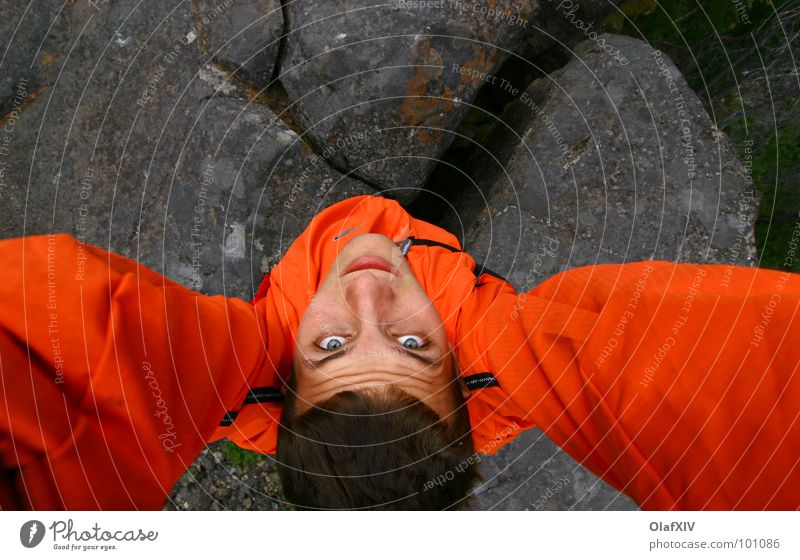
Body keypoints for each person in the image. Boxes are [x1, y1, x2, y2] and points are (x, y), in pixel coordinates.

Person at [1, 194, 799, 510]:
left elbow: (49, 345)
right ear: (464, 377)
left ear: (283, 384)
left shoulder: (248, 371)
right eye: (414, 346)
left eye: (332, 347)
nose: (370, 293)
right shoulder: (500, 355)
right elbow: (738, 385)